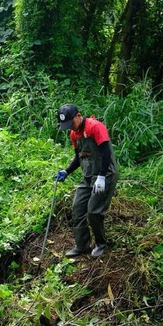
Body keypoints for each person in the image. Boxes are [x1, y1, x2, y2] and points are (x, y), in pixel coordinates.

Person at [55, 103, 118, 258]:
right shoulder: (74, 134)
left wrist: (102, 177)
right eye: (67, 126)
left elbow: (106, 154)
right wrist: (66, 171)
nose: (71, 128)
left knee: (93, 211)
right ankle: (82, 245)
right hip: (88, 176)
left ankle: (101, 244)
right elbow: (79, 156)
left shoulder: (95, 127)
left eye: (72, 123)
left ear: (78, 115)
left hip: (106, 174)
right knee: (77, 208)